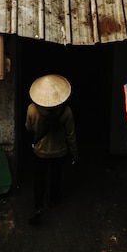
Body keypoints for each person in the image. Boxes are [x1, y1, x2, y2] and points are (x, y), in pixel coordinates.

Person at [25, 74, 78, 224]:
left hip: (40, 151)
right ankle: (53, 200)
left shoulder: (31, 109)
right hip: (60, 151)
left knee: (39, 178)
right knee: (56, 176)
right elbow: (71, 134)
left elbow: (28, 128)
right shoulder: (66, 111)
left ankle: (39, 206)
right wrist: (74, 153)